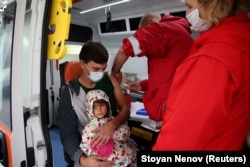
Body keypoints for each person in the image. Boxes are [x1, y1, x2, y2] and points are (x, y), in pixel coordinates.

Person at [153, 0, 250, 150]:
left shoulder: (211, 59)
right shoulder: (240, 41)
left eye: (190, 6)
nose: (187, 14)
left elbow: (177, 145)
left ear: (215, 4)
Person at [58, 40, 131, 167]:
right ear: (82, 64)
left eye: (103, 69)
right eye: (96, 69)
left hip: (117, 142)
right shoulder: (69, 93)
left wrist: (111, 125)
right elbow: (67, 134)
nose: (100, 73)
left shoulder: (110, 79)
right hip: (90, 150)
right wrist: (83, 160)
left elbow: (125, 109)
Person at [111, 12, 193, 121]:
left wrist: (115, 71)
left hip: (170, 109)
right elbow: (171, 76)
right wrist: (144, 85)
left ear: (151, 22)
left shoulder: (162, 30)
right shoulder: (179, 34)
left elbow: (125, 49)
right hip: (180, 103)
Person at [80, 90, 137, 167]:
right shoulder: (89, 127)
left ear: (107, 104)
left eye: (101, 105)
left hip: (121, 156)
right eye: (94, 107)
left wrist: (112, 134)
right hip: (103, 161)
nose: (99, 110)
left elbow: (125, 133)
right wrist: (94, 154)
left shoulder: (114, 120)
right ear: (89, 109)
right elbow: (85, 144)